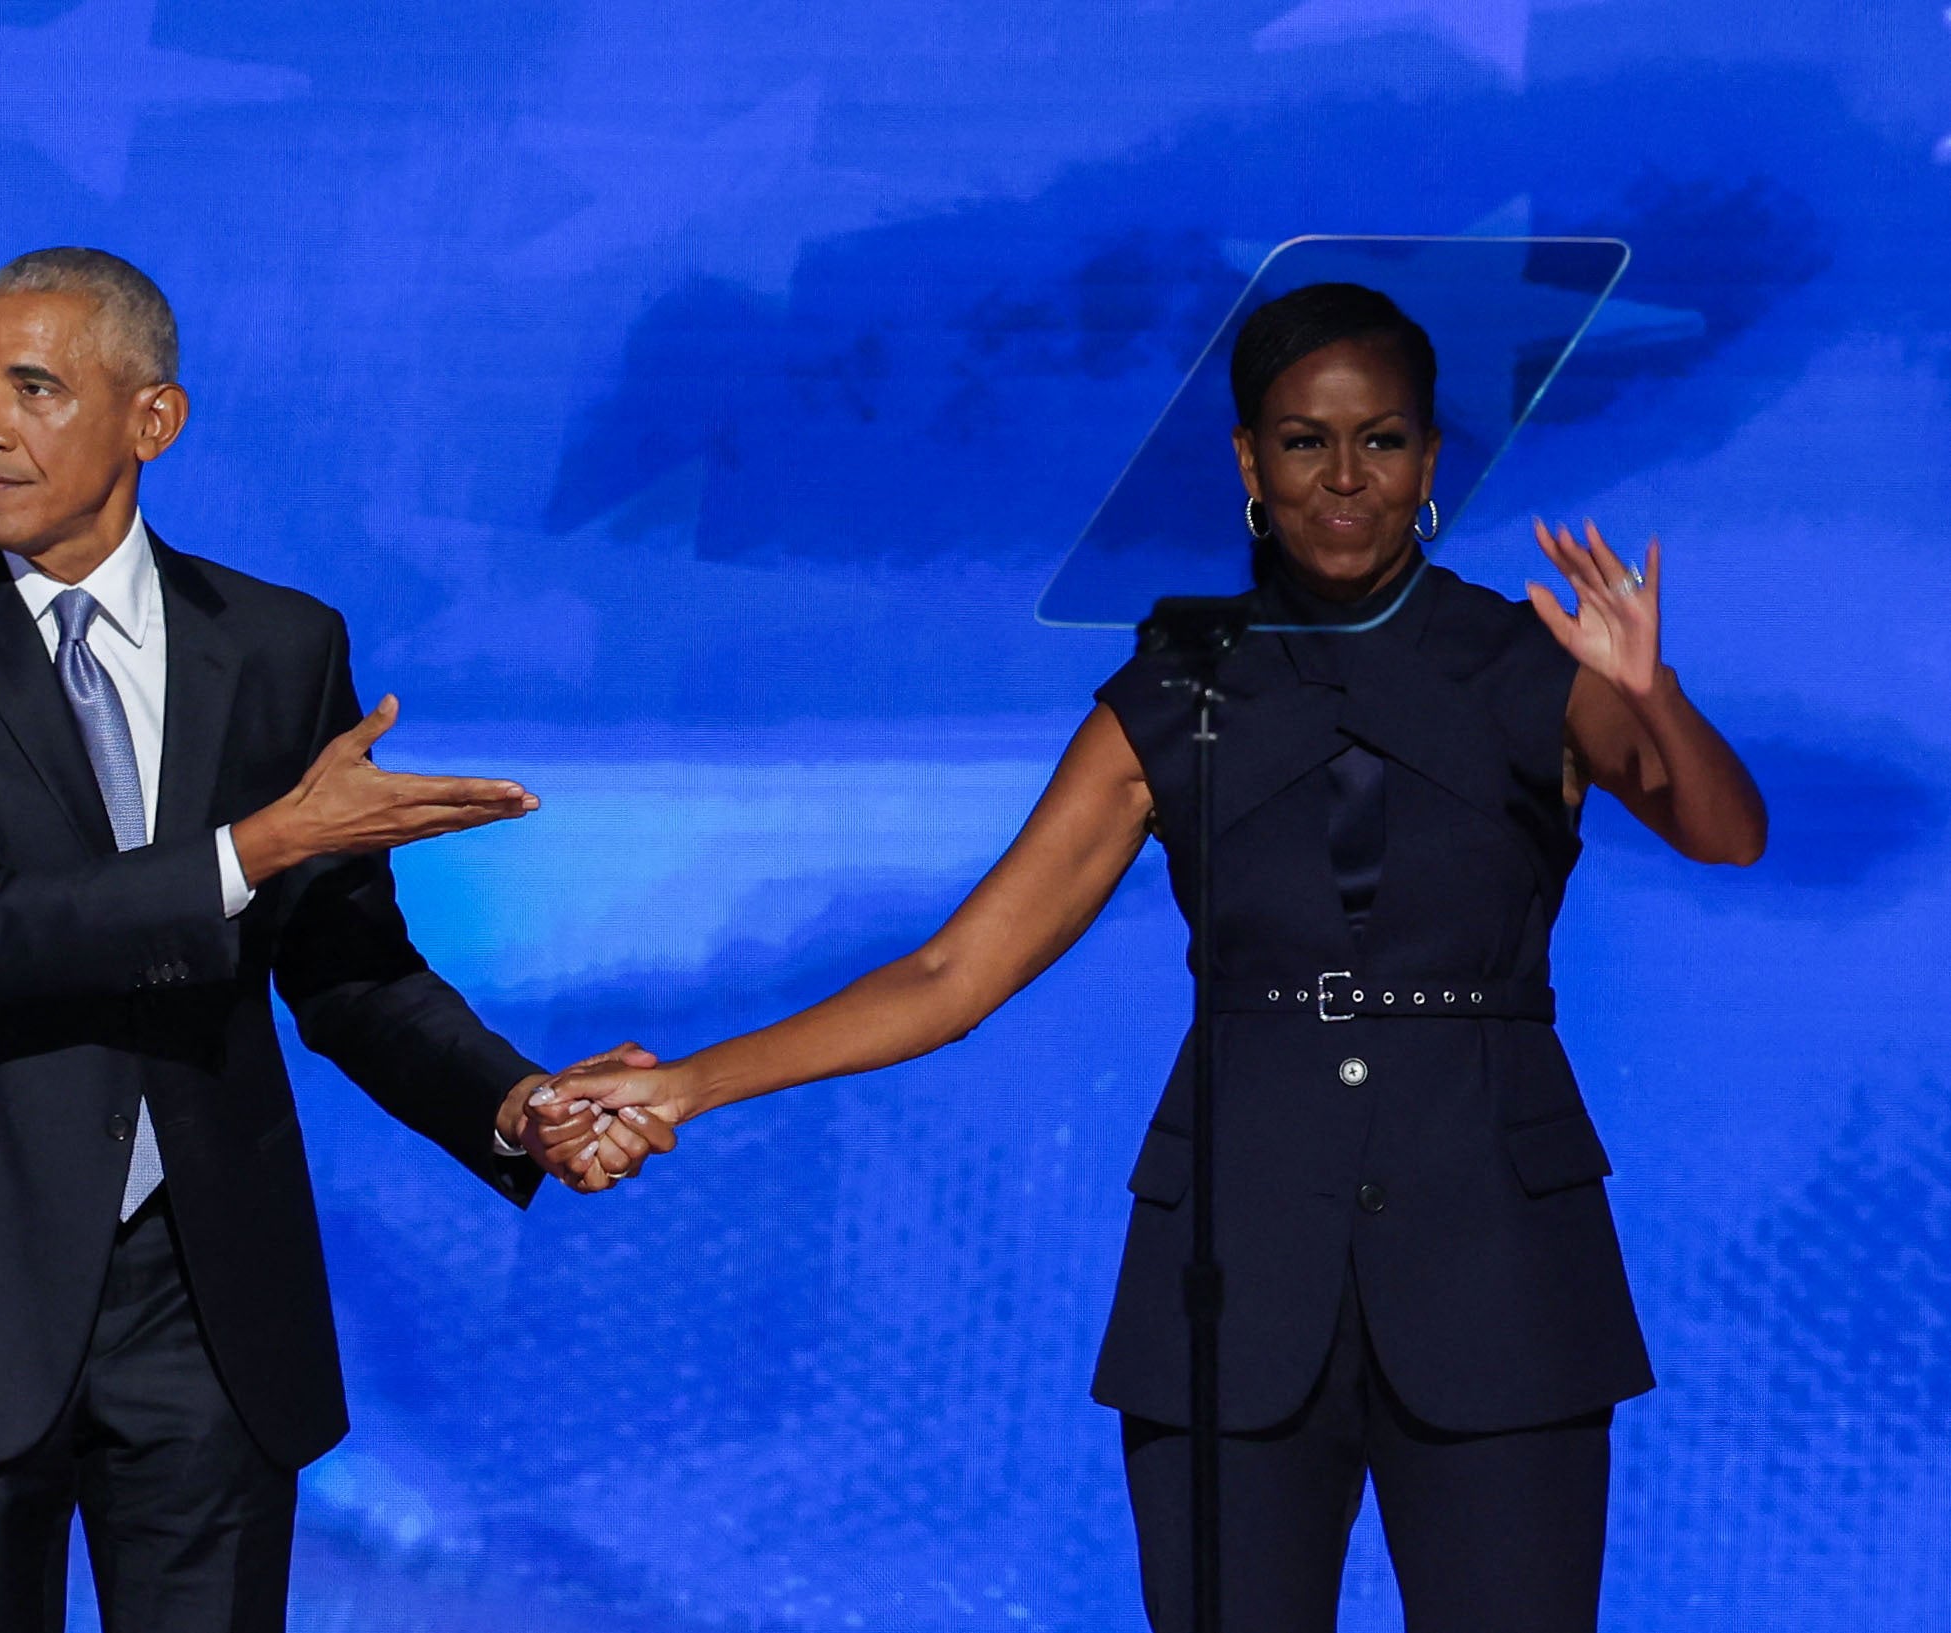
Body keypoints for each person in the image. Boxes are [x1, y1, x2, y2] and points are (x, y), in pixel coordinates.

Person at [534, 282, 1766, 1629]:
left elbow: (1722, 830)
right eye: (1303, 441)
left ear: (1429, 458)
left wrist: (1653, 690)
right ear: (1247, 459)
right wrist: (687, 1084)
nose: (1343, 478)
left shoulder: (1530, 662)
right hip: (1231, 1281)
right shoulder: (1176, 693)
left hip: (1500, 1271)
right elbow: (956, 974)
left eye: (1382, 441)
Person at [0, 247, 666, 1633]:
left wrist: (512, 1100)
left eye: (31, 387)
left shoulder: (276, 644)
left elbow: (348, 967)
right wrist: (254, 846)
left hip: (206, 1299)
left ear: (152, 421)